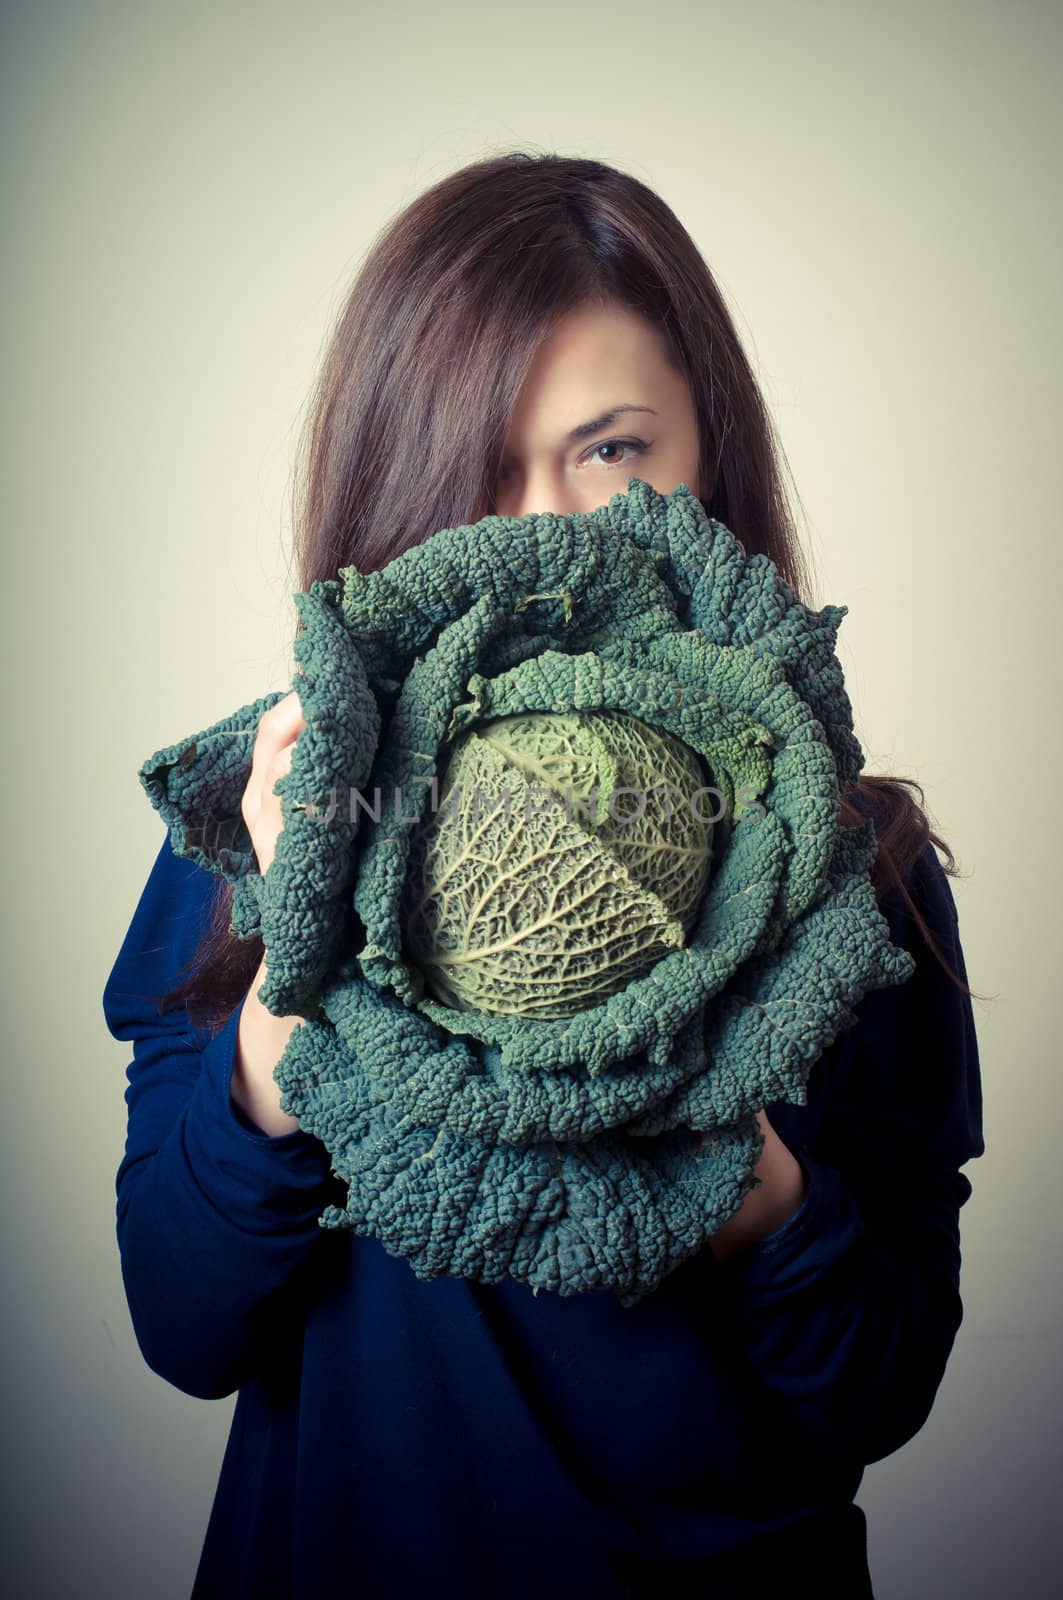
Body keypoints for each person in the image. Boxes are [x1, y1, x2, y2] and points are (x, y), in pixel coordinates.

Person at [102, 152, 985, 1600]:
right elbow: (184, 1328)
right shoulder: (249, 824)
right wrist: (297, 981)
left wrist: (752, 1191)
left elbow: (879, 1392)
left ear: (713, 455)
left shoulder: (856, 871)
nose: (535, 525)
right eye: (475, 460)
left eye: (612, 448)